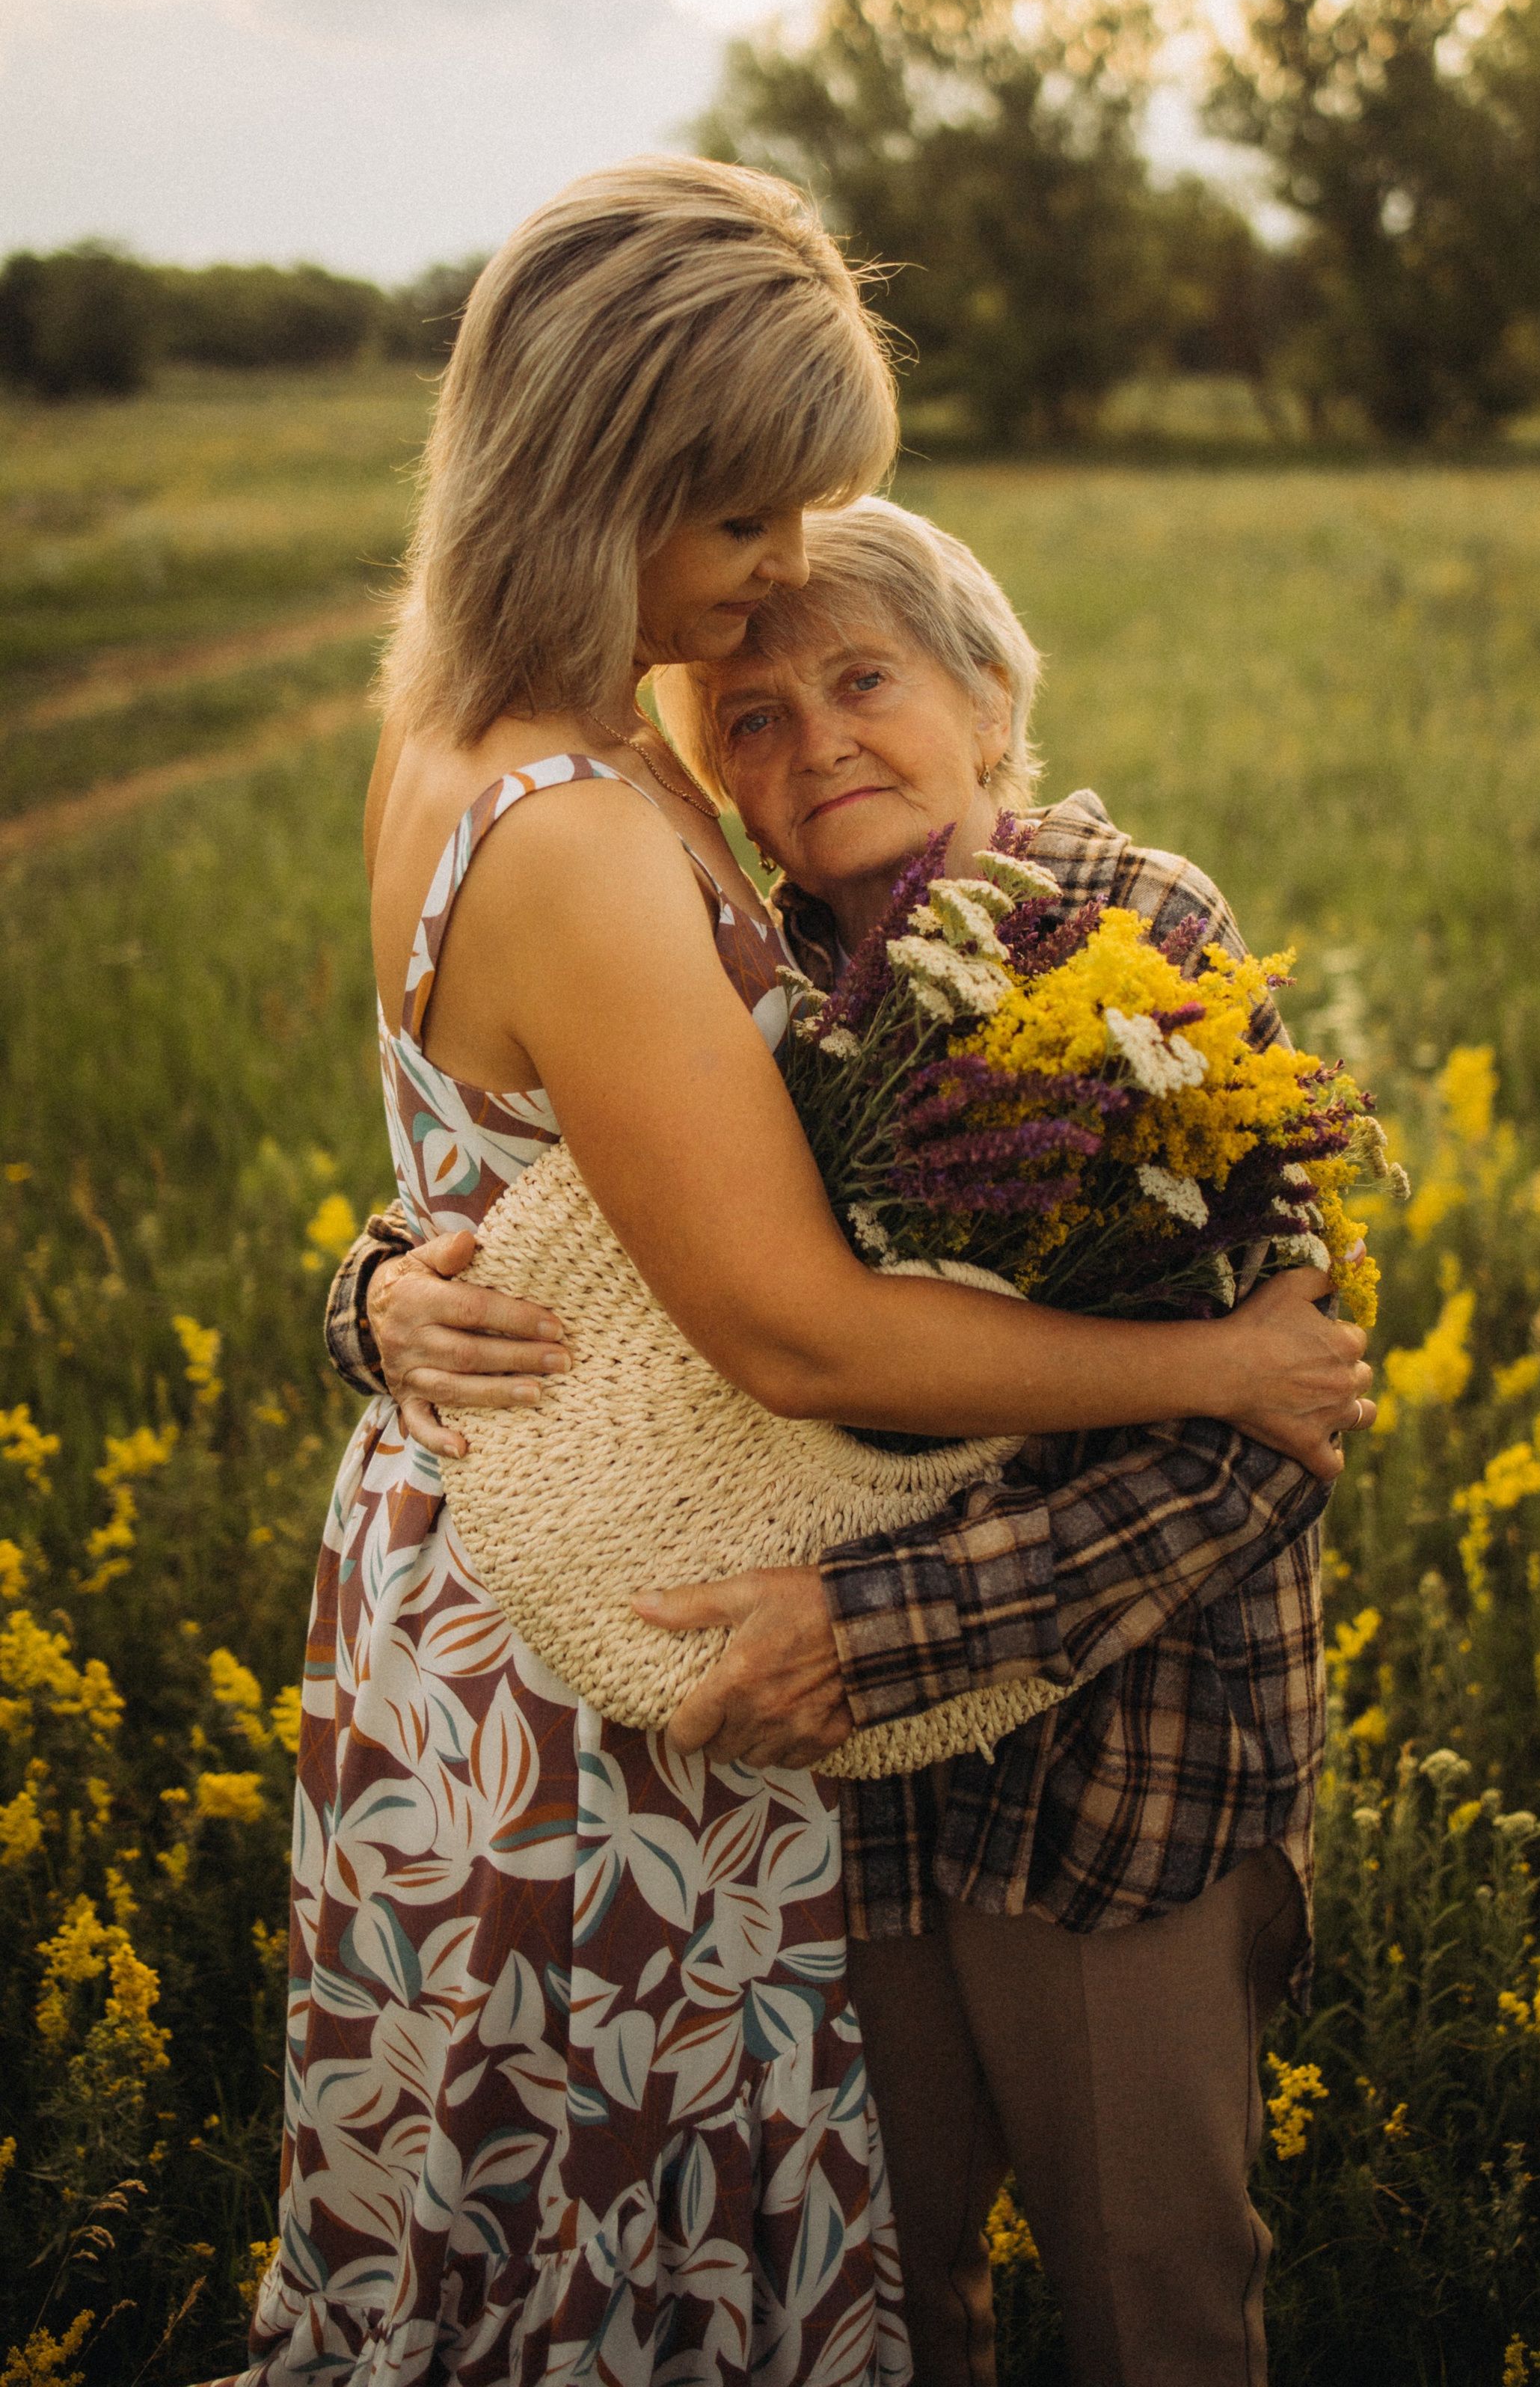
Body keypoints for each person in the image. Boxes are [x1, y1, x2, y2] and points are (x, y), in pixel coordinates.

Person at [254, 167, 1371, 2386]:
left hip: (1012, 1741)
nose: (776, 590)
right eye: (754, 517)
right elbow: (765, 1305)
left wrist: (391, 1290)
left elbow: (573, 1160)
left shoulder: (573, 740)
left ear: (988, 704)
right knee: (652, 2278)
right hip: (630, 1641)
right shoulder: (587, 804)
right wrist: (382, 1289)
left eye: (848, 633)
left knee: (881, 2278)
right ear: (621, 473)